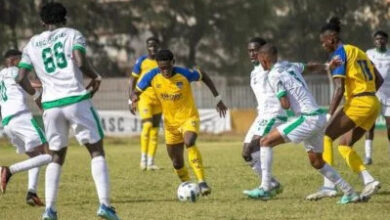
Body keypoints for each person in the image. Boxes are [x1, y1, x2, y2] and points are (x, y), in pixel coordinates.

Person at [16, 3, 120, 220]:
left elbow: (20, 78)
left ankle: (50, 211)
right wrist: (97, 77)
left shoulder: (32, 43)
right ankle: (105, 205)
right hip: (75, 100)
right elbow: (80, 62)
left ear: (43, 22)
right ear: (64, 18)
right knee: (96, 151)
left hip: (51, 106)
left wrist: (37, 97)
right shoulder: (73, 34)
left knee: (56, 156)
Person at [256, 44, 360, 204]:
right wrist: (327, 66)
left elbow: (285, 105)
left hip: (307, 118)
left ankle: (265, 187)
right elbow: (310, 67)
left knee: (265, 141)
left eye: (259, 60)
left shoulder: (273, 75)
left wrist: (279, 96)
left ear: (263, 59)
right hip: (318, 117)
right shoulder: (288, 65)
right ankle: (349, 191)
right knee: (317, 161)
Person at [130, 49, 227, 195]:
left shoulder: (184, 74)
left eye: (168, 67)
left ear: (173, 63)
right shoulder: (151, 76)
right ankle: (188, 186)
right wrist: (134, 99)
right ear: (157, 65)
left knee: (189, 141)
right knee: (176, 162)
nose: (165, 71)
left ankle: (202, 182)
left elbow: (203, 75)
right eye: (162, 68)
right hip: (170, 125)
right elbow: (136, 91)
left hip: (189, 118)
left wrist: (218, 99)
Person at [306, 17, 382, 202]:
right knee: (344, 145)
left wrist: (329, 114)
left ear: (331, 38)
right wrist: (367, 93)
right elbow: (379, 79)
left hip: (359, 102)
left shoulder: (339, 54)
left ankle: (329, 186)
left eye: (323, 42)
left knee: (325, 135)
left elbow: (339, 88)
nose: (323, 46)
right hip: (372, 102)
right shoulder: (358, 51)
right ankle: (369, 181)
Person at [0, 49, 52, 206]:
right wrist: (47, 82)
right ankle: (8, 170)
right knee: (50, 155)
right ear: (15, 61)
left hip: (8, 123)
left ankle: (31, 193)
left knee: (35, 157)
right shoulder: (15, 71)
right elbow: (28, 84)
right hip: (21, 118)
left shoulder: (0, 75)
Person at [241, 38, 285, 198]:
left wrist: (325, 67)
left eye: (256, 50)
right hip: (261, 115)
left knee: (255, 147)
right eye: (250, 50)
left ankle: (265, 187)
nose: (252, 53)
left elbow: (297, 67)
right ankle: (273, 184)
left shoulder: (271, 67)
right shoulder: (254, 72)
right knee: (246, 153)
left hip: (274, 113)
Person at [128, 37, 161, 170]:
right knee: (147, 125)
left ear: (158, 46)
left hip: (159, 99)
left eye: (154, 46)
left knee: (155, 131)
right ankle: (143, 159)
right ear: (147, 47)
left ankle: (151, 162)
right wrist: (131, 99)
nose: (152, 48)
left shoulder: (161, 61)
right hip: (144, 98)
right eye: (150, 46)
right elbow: (132, 79)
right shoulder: (141, 61)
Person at [364, 30, 390, 165]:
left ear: (386, 40)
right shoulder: (369, 54)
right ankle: (368, 156)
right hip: (374, 95)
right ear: (374, 41)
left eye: (382, 39)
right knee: (370, 126)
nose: (379, 41)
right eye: (377, 39)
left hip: (389, 97)